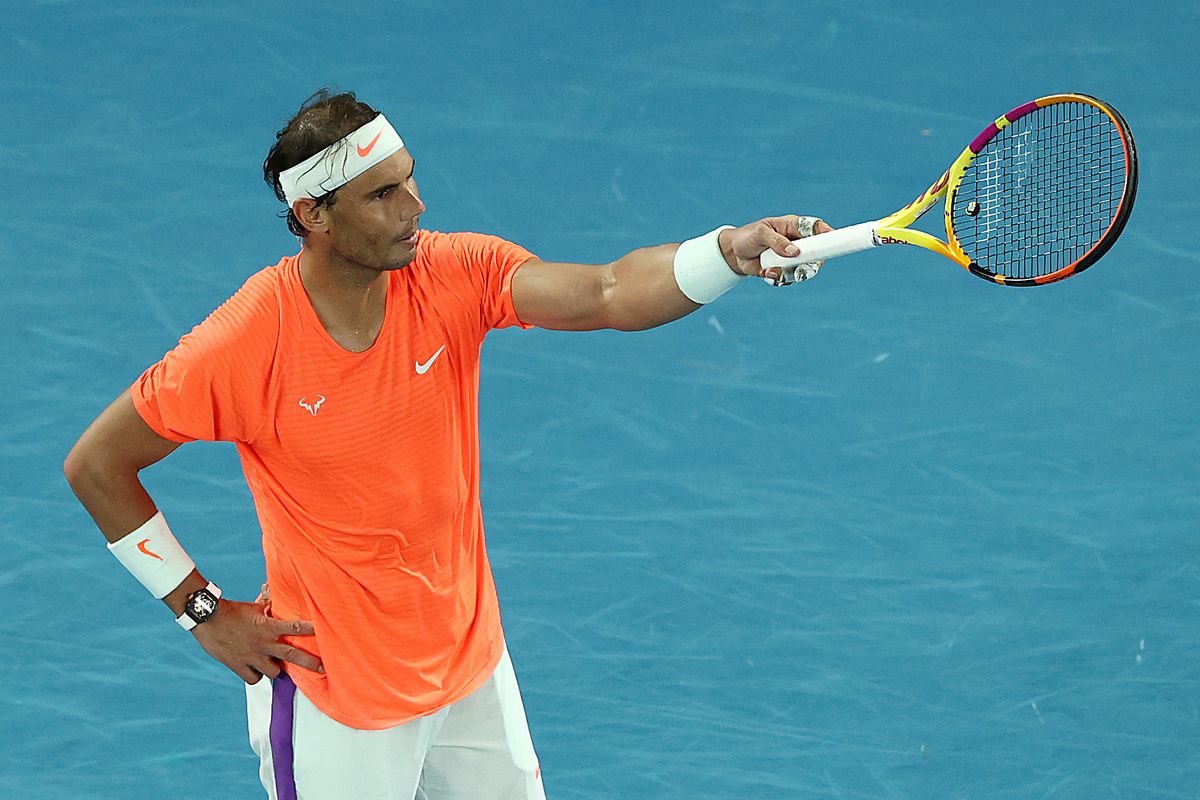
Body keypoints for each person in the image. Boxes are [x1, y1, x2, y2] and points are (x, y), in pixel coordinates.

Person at [62, 88, 831, 800]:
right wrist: (200, 610)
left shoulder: (451, 271)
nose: (414, 207)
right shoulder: (246, 342)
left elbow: (606, 292)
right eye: (382, 193)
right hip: (342, 696)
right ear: (314, 215)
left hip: (469, 666)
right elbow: (97, 464)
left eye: (409, 180)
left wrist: (725, 252)